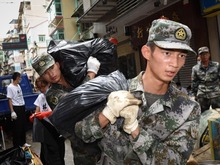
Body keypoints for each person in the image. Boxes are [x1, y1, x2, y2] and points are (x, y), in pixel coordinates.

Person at [74, 18, 201, 164]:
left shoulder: (188, 108)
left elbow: (175, 160)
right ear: (147, 52)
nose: (175, 63)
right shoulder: (116, 90)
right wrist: (107, 114)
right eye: (167, 53)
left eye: (182, 56)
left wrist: (135, 130)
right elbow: (82, 133)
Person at [31, 53, 101, 164]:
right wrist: (91, 73)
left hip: (103, 138)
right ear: (42, 77)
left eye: (51, 67)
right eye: (45, 73)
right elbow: (77, 103)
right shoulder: (52, 94)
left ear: (58, 65)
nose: (51, 74)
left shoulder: (75, 77)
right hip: (84, 147)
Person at [29, 77, 52, 164]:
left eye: (43, 87)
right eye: (39, 88)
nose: (42, 90)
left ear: (48, 84)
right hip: (44, 127)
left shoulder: (53, 95)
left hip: (54, 127)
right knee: (45, 151)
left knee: (55, 153)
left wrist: (47, 114)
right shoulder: (40, 96)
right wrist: (34, 116)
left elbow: (58, 111)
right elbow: (37, 110)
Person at [191, 46, 220, 113]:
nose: (204, 56)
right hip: (202, 95)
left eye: (206, 54)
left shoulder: (216, 65)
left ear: (209, 54)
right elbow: (194, 82)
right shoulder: (195, 68)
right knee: (203, 114)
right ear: (199, 56)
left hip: (215, 94)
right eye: (202, 54)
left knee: (218, 113)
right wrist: (195, 95)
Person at [7, 72, 27, 147]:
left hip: (22, 106)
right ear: (17, 78)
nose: (20, 79)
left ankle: (23, 142)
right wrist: (12, 111)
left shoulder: (18, 85)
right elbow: (9, 99)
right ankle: (17, 145)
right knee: (17, 127)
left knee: (23, 125)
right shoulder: (10, 87)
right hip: (16, 108)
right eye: (20, 77)